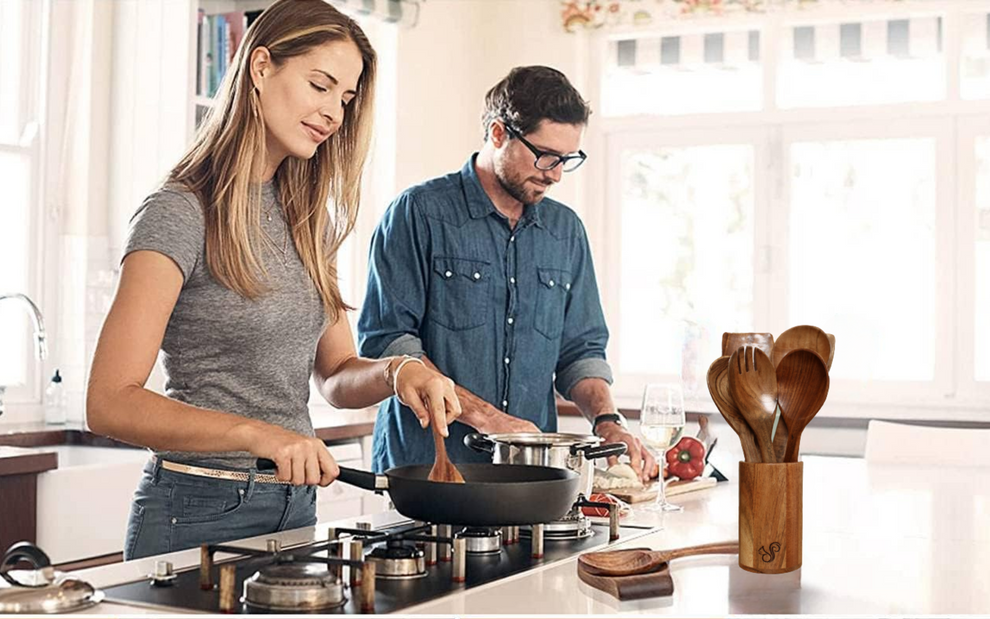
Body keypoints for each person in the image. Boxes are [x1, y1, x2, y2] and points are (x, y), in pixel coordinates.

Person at [86, 0, 459, 561]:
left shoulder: (310, 221)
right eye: (320, 85)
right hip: (197, 508)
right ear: (260, 67)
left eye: (346, 97)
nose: (334, 112)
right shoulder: (180, 212)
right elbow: (109, 402)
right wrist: (260, 435)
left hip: (294, 506)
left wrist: (397, 370)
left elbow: (334, 375)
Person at [357, 66, 655, 480]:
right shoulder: (418, 213)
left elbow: (580, 351)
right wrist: (490, 420)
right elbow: (388, 344)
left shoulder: (565, 231)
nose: (554, 173)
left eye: (567, 160)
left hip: (529, 477)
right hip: (428, 470)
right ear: (499, 134)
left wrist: (607, 421)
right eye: (546, 155)